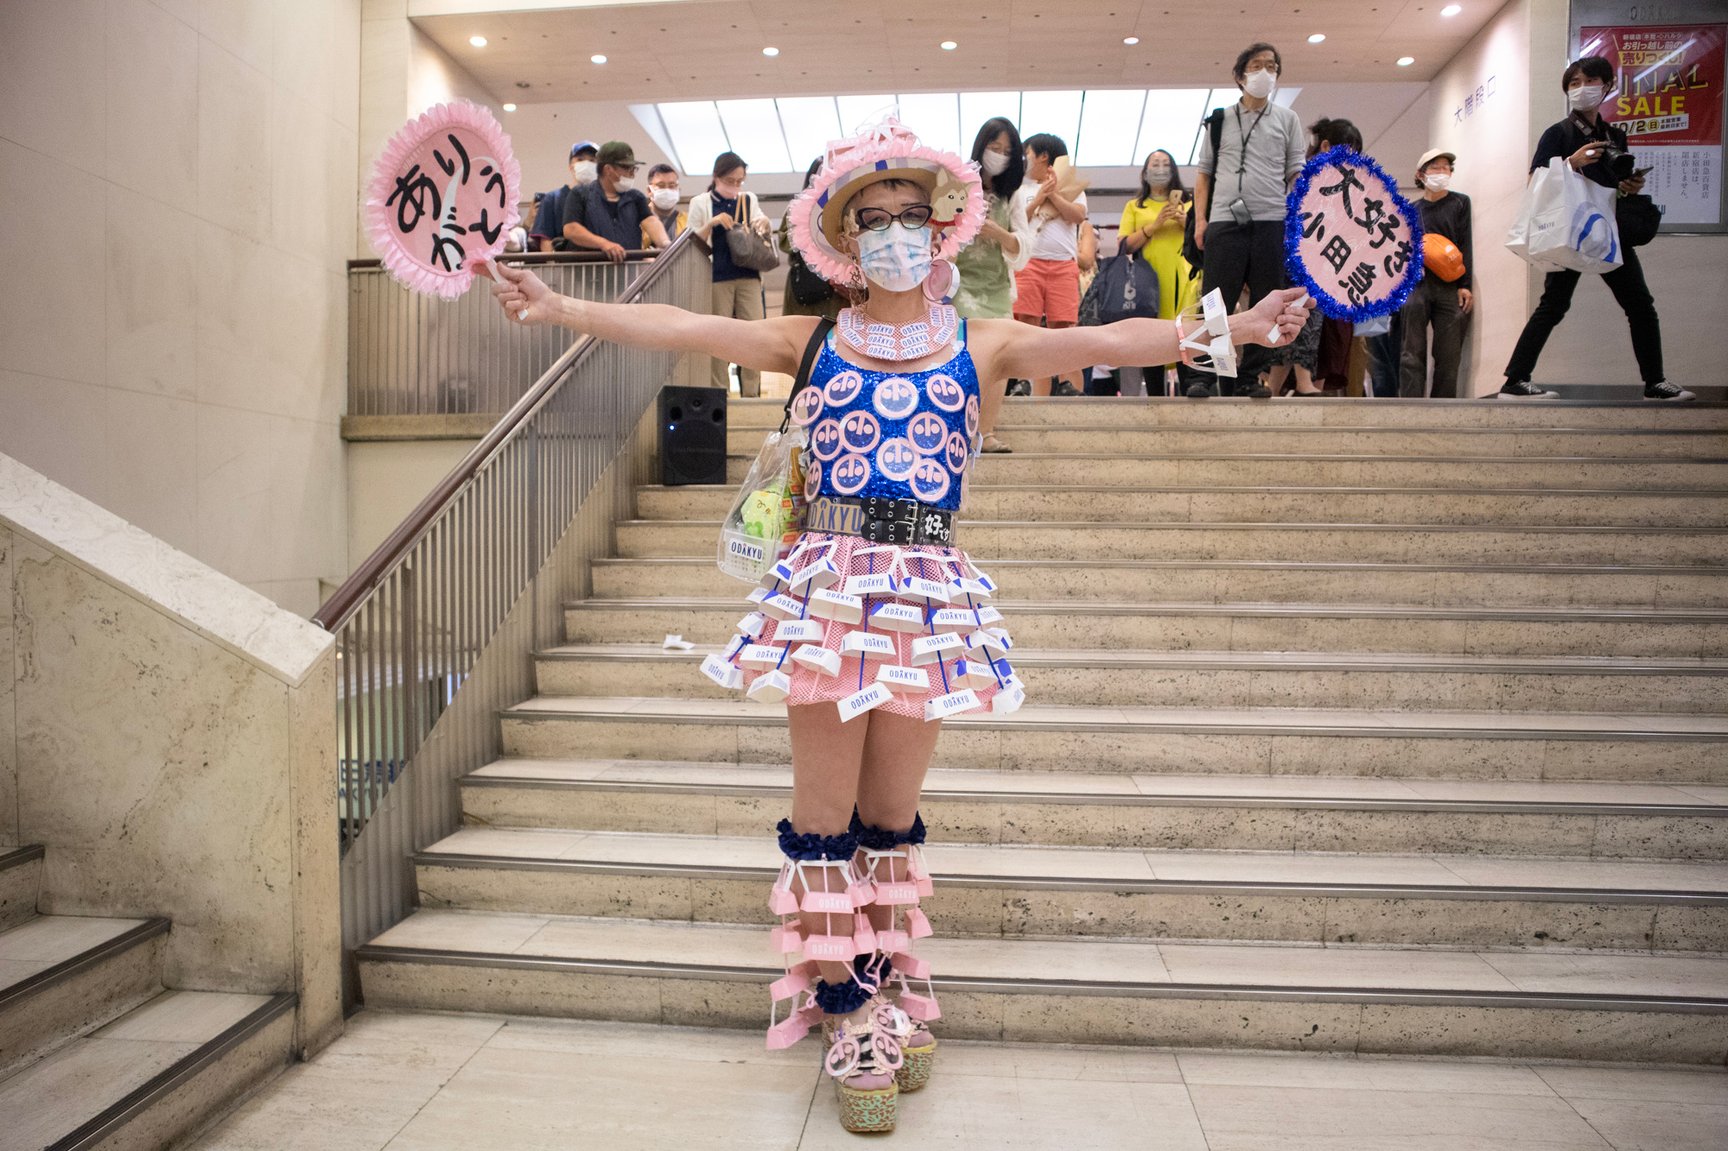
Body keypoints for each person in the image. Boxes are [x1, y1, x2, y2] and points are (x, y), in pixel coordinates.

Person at [484, 118, 1310, 1136]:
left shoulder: (981, 340)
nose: (892, 234)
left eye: (909, 215)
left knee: (890, 821)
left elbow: (1107, 340)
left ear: (941, 224)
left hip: (928, 595)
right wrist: (559, 303)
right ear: (842, 238)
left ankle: (878, 979)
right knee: (823, 821)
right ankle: (845, 1009)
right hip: (827, 593)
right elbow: (688, 328)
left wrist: (1236, 328)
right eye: (870, 220)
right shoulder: (812, 338)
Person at [1501, 56, 1693, 401]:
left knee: (1640, 304)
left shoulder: (1614, 136)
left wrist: (1628, 186)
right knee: (1554, 305)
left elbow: (1611, 188)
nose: (1582, 89)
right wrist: (1571, 163)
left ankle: (1655, 382)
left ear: (1607, 86)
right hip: (1570, 231)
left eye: (1590, 81)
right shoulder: (1558, 133)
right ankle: (1515, 380)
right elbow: (1534, 182)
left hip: (1607, 230)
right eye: (1574, 83)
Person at [1191, 41, 1307, 398]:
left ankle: (1249, 377)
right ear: (1240, 75)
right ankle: (1205, 374)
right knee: (1215, 300)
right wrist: (1200, 221)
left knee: (1265, 300)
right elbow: (1204, 174)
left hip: (1271, 220)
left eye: (1271, 66)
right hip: (1224, 220)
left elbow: (1296, 173)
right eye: (1256, 66)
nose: (1265, 73)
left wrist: (1299, 219)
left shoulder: (1287, 119)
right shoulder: (1220, 120)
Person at [1267, 117, 1362, 397]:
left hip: (1321, 260)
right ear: (1326, 146)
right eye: (1348, 151)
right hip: (1299, 258)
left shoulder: (1337, 181)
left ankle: (1275, 387)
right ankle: (1302, 382)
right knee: (1301, 318)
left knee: (1297, 320)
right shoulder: (1305, 176)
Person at [953, 117, 1030, 452]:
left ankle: (986, 432)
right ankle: (958, 429)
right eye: (994, 147)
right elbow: (941, 233)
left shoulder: (1013, 195)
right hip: (959, 285)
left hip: (996, 287)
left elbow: (1023, 247)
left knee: (1000, 357)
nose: (999, 155)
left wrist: (997, 232)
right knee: (962, 356)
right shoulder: (957, 186)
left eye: (1006, 151)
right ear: (981, 147)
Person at [686, 151, 772, 394]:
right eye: (730, 180)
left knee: (755, 335)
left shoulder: (748, 199)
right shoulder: (700, 202)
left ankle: (751, 394)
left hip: (749, 275)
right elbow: (691, 241)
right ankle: (720, 394)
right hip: (717, 277)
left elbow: (760, 221)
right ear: (716, 177)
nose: (735, 185)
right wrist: (712, 223)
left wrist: (764, 222)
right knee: (718, 336)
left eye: (739, 181)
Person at [1112, 149, 1193, 395]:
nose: (1160, 169)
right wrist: (1154, 226)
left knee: (1186, 338)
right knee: (1152, 341)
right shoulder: (1135, 206)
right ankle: (1155, 402)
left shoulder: (1189, 204)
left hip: (1184, 282)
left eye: (1166, 164)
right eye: (1155, 164)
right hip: (1148, 283)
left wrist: (1185, 222)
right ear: (1145, 172)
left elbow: (1205, 239)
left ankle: (1192, 397)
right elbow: (1125, 245)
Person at [1013, 133, 1088, 397]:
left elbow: (1078, 216)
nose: (1024, 159)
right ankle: (1025, 384)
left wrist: (1053, 194)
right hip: (1028, 264)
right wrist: (1037, 199)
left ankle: (1067, 384)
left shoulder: (1073, 187)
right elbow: (1015, 224)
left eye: (1027, 153)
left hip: (1063, 266)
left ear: (1043, 156)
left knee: (1063, 327)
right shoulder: (1019, 189)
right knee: (1027, 325)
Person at [1400, 148, 1474, 398]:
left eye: (1446, 168)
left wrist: (1465, 285)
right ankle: (1410, 408)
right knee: (1411, 352)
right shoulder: (1410, 210)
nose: (1442, 172)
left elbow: (1465, 244)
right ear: (1420, 174)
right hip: (1416, 285)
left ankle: (1444, 408)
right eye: (1435, 167)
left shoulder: (1460, 203)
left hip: (1449, 285)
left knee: (1449, 354)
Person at [559, 141, 670, 261]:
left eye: (633, 168)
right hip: (590, 270)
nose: (632, 173)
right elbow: (571, 229)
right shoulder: (581, 194)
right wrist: (603, 244)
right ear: (608, 169)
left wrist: (665, 243)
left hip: (628, 269)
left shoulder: (635, 197)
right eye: (626, 168)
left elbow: (651, 221)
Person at [779, 158, 844, 321]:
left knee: (834, 330)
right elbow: (785, 243)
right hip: (806, 283)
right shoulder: (797, 206)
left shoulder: (844, 204)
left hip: (838, 287)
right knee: (800, 330)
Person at [538, 140, 597, 252]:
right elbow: (546, 240)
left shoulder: (605, 199)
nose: (586, 164)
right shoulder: (553, 199)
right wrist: (552, 263)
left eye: (592, 161)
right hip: (565, 260)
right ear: (571, 166)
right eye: (580, 160)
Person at [644, 163, 685, 245]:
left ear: (678, 190)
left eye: (672, 185)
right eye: (661, 185)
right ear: (649, 190)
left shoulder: (687, 221)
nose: (667, 190)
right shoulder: (638, 220)